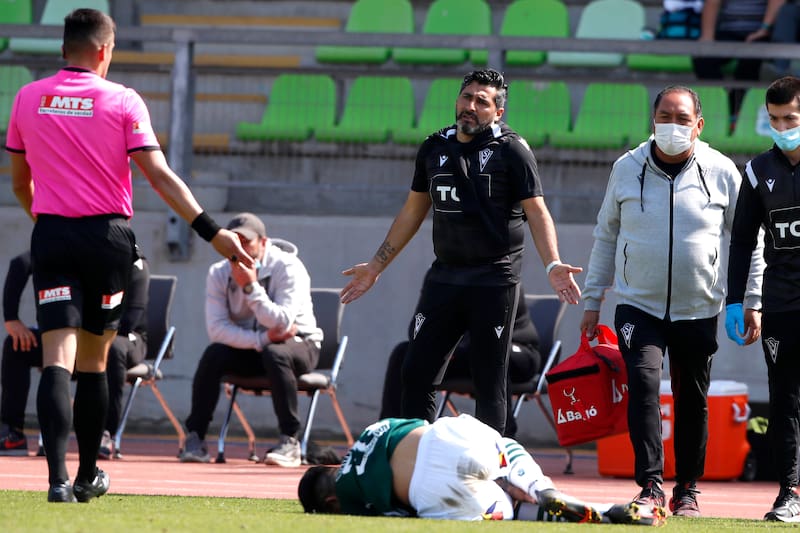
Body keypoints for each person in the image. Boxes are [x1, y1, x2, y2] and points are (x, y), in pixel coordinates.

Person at [4, 8, 251, 503]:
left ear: (64, 49)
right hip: (106, 240)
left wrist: (49, 222)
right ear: (104, 50)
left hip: (52, 235)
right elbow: (159, 176)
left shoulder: (28, 97)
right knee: (94, 362)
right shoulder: (123, 100)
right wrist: (213, 233)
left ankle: (56, 482)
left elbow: (18, 182)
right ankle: (87, 475)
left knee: (56, 359)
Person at [340, 68, 582, 437]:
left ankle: (493, 463)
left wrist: (552, 264)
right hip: (445, 276)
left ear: (498, 112)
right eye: (466, 97)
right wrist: (375, 266)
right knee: (415, 370)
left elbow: (537, 211)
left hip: (494, 279)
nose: (470, 106)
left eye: (481, 101)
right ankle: (415, 455)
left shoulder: (512, 150)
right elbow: (412, 211)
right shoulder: (434, 146)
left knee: (489, 379)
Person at [579, 85, 764, 518]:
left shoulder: (722, 170)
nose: (673, 126)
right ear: (653, 119)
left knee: (692, 398)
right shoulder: (626, 167)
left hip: (698, 306)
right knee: (644, 386)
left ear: (699, 125)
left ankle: (688, 489)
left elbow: (748, 240)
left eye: (682, 119)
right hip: (637, 305)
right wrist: (592, 299)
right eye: (665, 116)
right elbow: (606, 235)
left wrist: (751, 297)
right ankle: (650, 485)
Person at [297, 414, 666, 525]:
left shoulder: (349, 498)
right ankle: (539, 486)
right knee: (505, 450)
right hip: (444, 439)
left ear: (330, 502)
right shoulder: (368, 434)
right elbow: (416, 423)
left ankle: (605, 513)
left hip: (436, 492)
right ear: (332, 464)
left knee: (513, 511)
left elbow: (399, 513)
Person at [179, 213, 323, 468]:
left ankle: (290, 440)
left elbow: (282, 322)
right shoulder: (218, 272)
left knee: (276, 353)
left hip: (300, 344)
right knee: (214, 354)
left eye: (246, 241)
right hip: (256, 346)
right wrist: (262, 338)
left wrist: (250, 287)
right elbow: (217, 330)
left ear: (263, 242)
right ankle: (195, 438)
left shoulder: (289, 267)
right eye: (234, 241)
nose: (239, 248)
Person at [726, 75, 800, 522]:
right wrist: (738, 300)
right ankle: (789, 494)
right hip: (781, 305)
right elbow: (741, 242)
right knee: (785, 402)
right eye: (774, 120)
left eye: (790, 118)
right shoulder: (757, 171)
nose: (782, 127)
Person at [0, 250, 150, 460]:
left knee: (112, 347)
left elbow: (128, 321)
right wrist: (11, 319)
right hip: (73, 335)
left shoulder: (132, 260)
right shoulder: (76, 248)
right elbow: (21, 262)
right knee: (17, 345)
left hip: (123, 338)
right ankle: (12, 432)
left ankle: (104, 434)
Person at [380, 286, 541, 439]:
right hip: (465, 355)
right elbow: (422, 329)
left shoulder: (499, 276)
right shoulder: (444, 277)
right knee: (403, 353)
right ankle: (390, 435)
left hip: (516, 351)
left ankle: (502, 439)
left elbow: (489, 331)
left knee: (489, 351)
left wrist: (452, 349)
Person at [692, 0, 785, 119]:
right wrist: (707, 37)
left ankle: (738, 112)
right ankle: (722, 103)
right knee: (702, 59)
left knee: (750, 61)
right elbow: (712, 2)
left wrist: (764, 29)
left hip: (762, 33)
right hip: (728, 32)